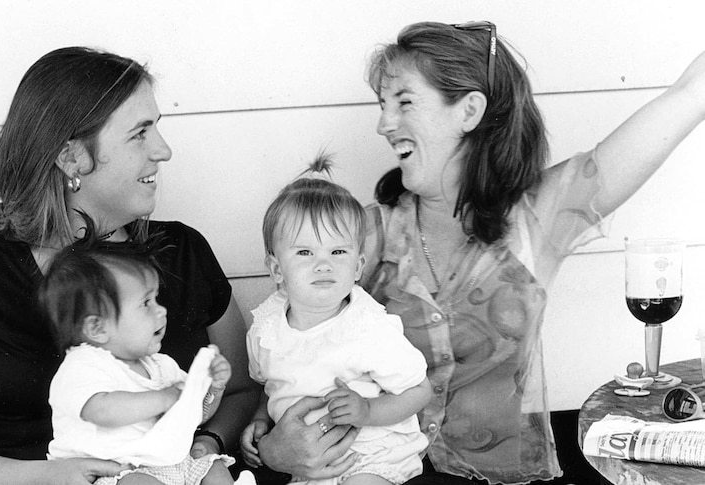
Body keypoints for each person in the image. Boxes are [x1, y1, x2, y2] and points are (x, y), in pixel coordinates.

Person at [255, 22, 705, 485]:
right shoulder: (360, 235)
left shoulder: (537, 219)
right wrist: (272, 449)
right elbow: (286, 353)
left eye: (404, 102)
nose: (384, 124)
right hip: (368, 471)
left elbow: (689, 96)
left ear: (469, 110)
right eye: (383, 106)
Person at [0, 47, 258, 485]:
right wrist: (52, 477)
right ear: (72, 158)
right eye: (139, 133)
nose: (163, 151)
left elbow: (241, 388)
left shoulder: (182, 251)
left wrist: (207, 445)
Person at [241, 157, 432, 485]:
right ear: (275, 270)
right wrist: (261, 420)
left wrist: (368, 411)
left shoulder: (368, 328)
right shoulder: (266, 328)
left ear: (357, 267)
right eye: (304, 253)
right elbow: (269, 385)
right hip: (306, 460)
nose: (323, 265)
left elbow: (419, 391)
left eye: (338, 253)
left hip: (370, 452)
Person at [38, 220, 250, 485]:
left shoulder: (160, 365)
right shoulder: (81, 366)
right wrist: (164, 398)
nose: (161, 310)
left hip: (168, 463)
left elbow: (192, 414)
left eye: (157, 299)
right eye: (146, 303)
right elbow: (102, 410)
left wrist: (211, 389)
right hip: (115, 471)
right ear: (97, 327)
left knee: (212, 468)